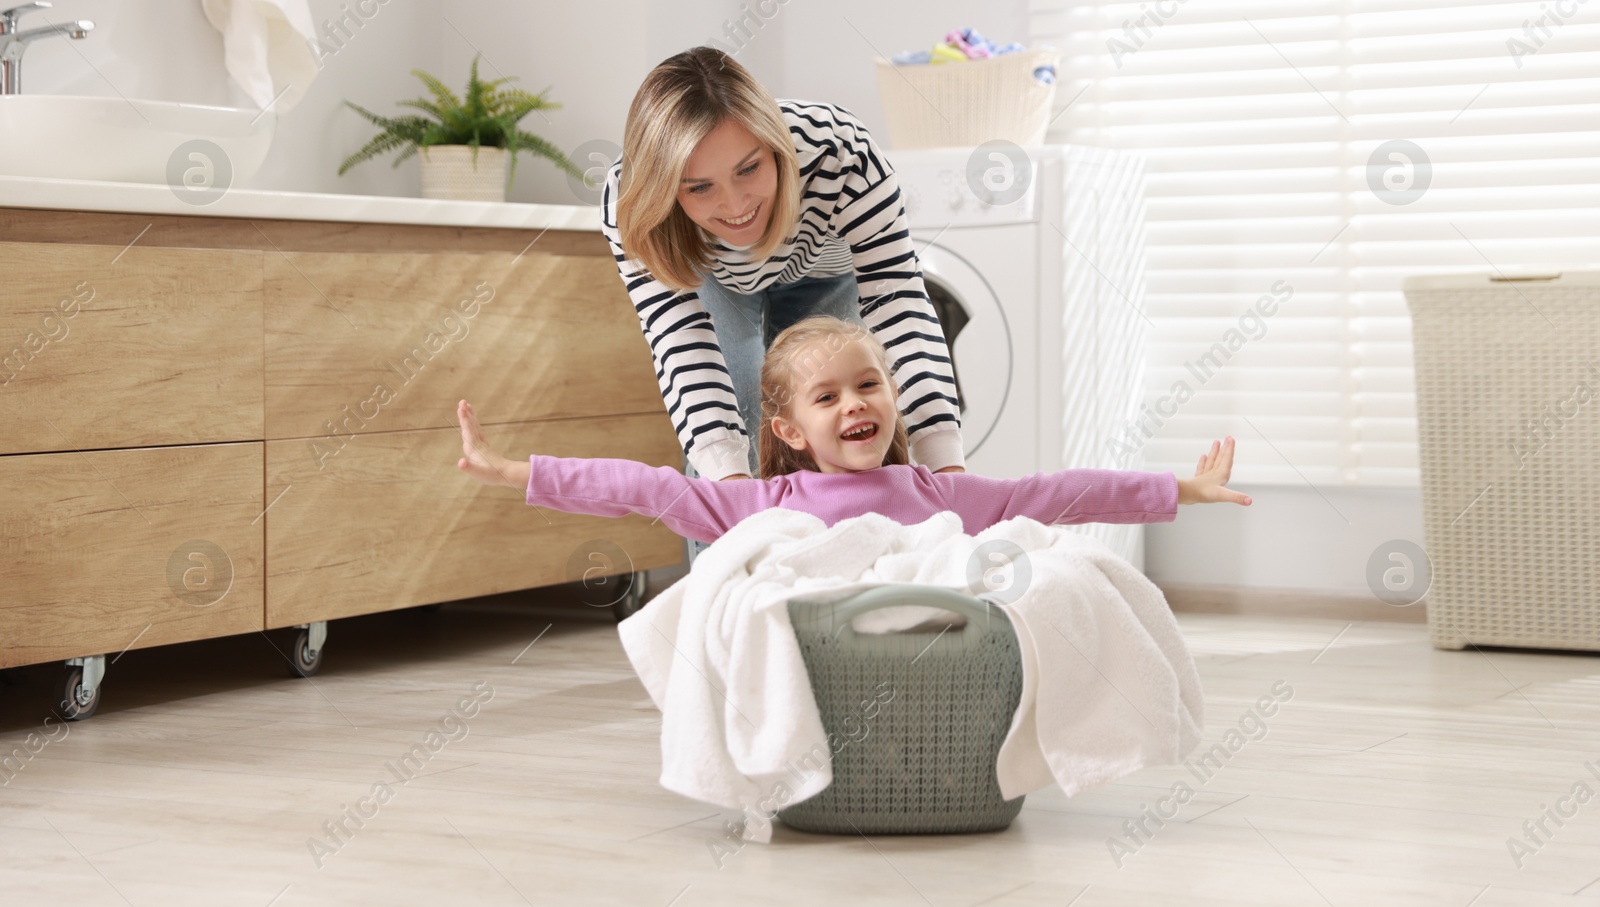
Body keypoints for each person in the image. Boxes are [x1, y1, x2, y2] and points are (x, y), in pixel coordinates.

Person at [599, 48, 966, 557]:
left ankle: (850, 575)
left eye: (749, 169)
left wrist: (945, 468)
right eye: (700, 187)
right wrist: (732, 517)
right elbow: (680, 342)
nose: (735, 204)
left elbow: (897, 297)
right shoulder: (631, 201)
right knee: (743, 408)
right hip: (716, 277)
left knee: (830, 410)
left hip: (827, 265)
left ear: (776, 148)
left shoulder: (842, 151)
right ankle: (725, 610)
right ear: (667, 190)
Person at [454, 317, 1250, 546]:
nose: (853, 404)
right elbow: (641, 487)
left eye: (868, 384)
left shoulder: (942, 492)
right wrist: (515, 469)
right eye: (826, 396)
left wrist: (1181, 486)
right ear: (790, 429)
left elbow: (1065, 492)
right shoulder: (758, 503)